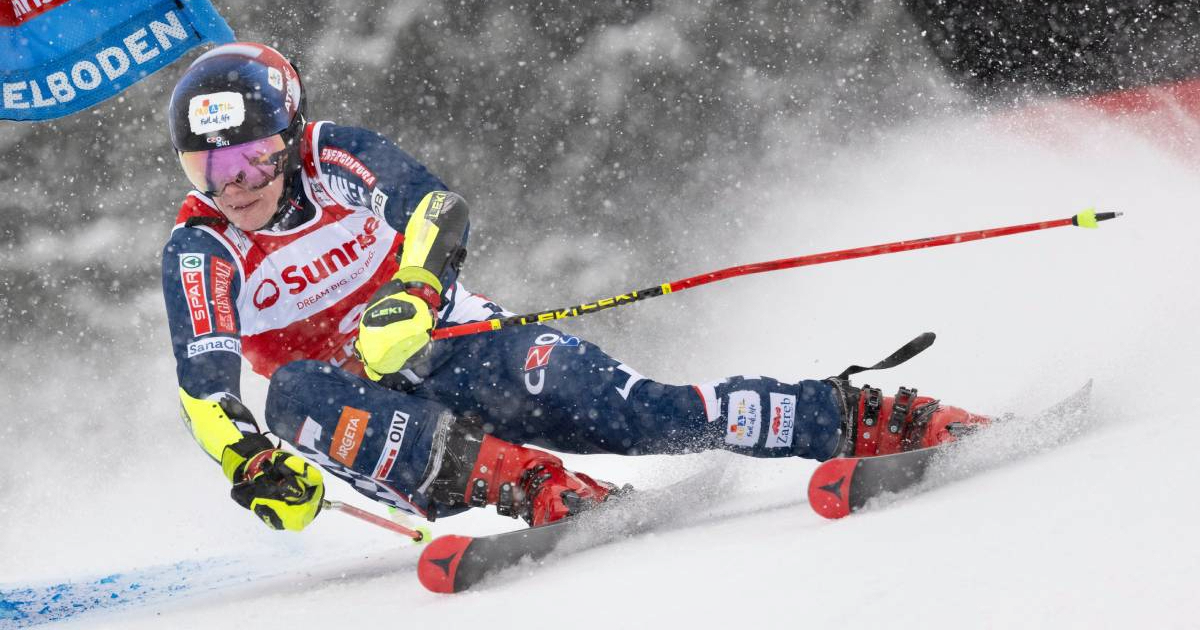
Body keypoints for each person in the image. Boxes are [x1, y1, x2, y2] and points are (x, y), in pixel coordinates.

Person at [163, 42, 991, 532]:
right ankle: (533, 487)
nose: (237, 183)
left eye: (253, 157)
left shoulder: (332, 155)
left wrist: (412, 294)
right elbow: (206, 390)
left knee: (646, 414)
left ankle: (865, 418)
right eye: (210, 166)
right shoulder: (203, 245)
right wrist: (254, 466)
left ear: (290, 135)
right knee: (295, 394)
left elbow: (435, 210)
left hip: (457, 344)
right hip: (364, 411)